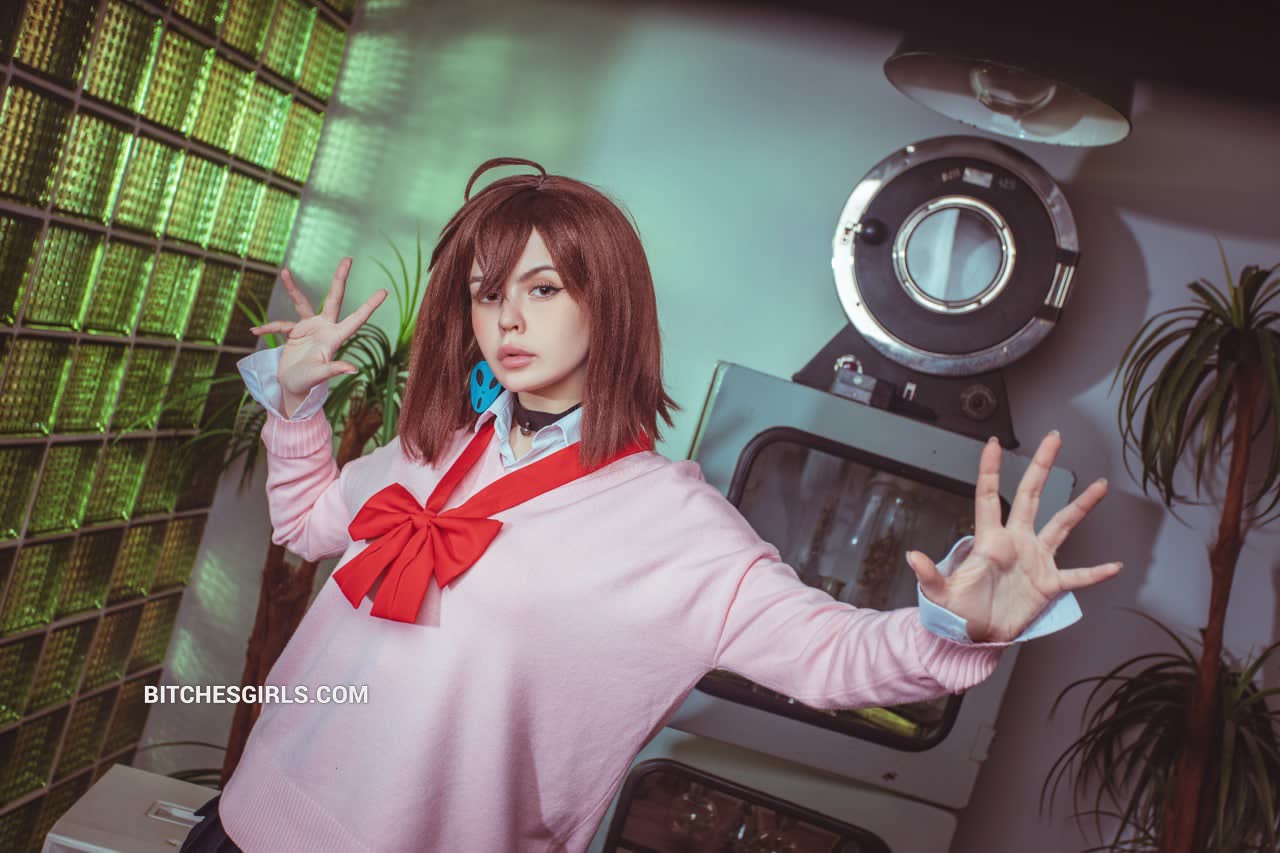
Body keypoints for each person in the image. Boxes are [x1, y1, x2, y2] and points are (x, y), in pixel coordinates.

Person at [181, 157, 1120, 852]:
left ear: (609, 304)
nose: (508, 318)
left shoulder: (672, 524)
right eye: (486, 293)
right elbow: (305, 524)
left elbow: (832, 654)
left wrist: (961, 624)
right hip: (246, 818)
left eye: (543, 288)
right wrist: (294, 401)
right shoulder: (429, 449)